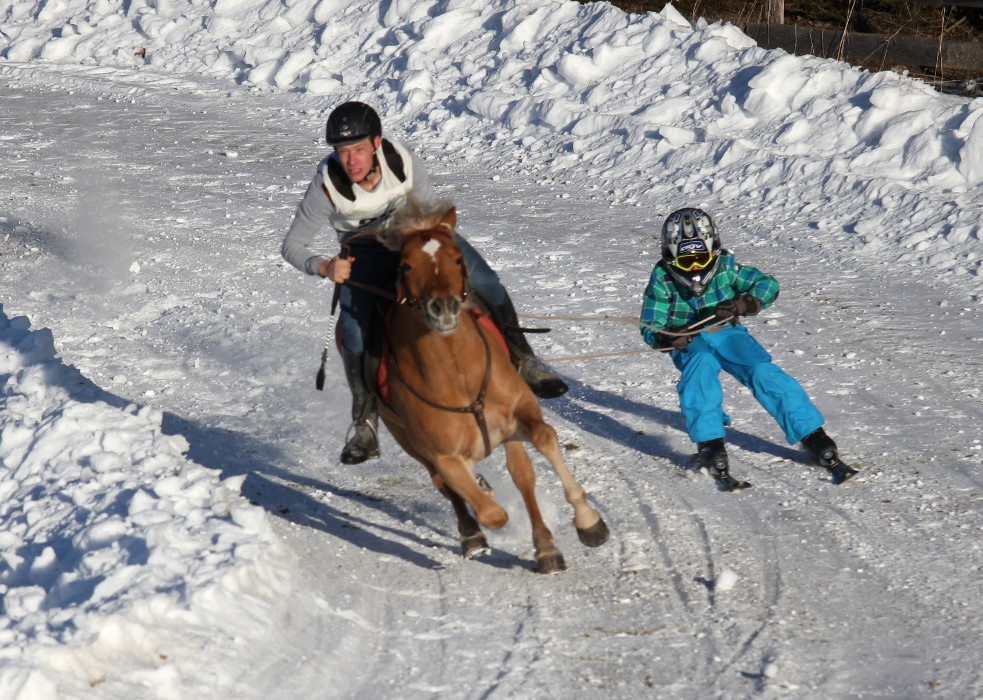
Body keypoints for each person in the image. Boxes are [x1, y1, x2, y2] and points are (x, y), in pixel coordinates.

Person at [282, 101, 567, 465]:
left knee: (485, 281)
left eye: (358, 149)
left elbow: (430, 207)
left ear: (376, 143)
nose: (351, 161)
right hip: (365, 248)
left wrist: (441, 246)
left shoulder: (399, 160)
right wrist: (323, 267)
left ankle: (524, 360)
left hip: (415, 233)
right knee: (354, 329)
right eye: (342, 152)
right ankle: (366, 420)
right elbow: (291, 245)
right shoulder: (326, 185)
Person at [639, 207, 855, 485]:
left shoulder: (727, 267)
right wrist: (666, 336)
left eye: (700, 258)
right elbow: (650, 323)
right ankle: (709, 442)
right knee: (700, 368)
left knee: (761, 370)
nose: (694, 267)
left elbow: (767, 284)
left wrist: (745, 302)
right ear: (670, 257)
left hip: (726, 332)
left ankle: (813, 434)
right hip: (688, 341)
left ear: (713, 251)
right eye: (685, 261)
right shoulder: (663, 278)